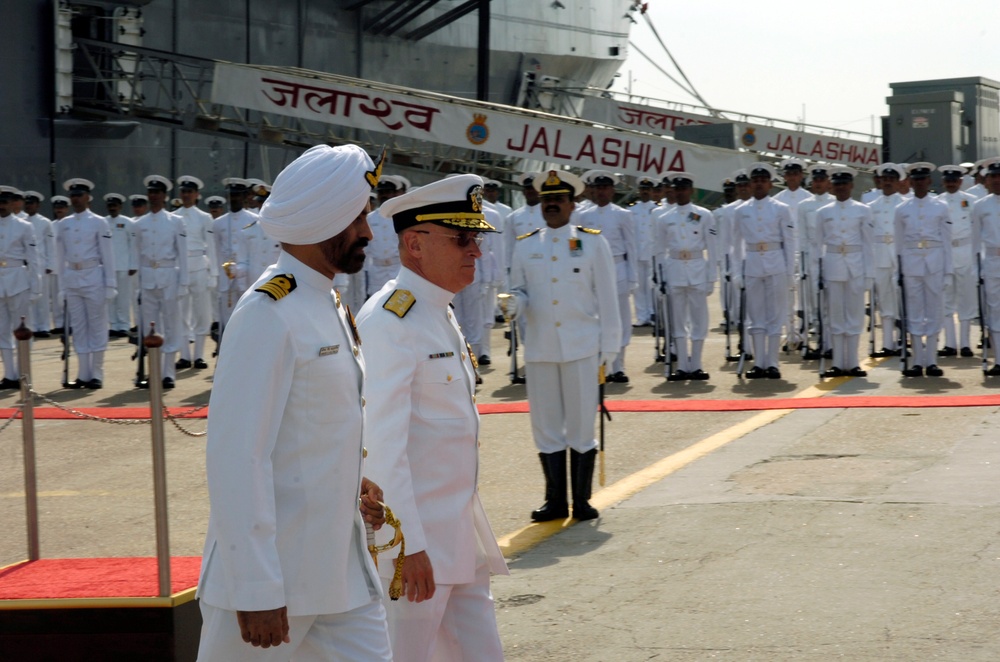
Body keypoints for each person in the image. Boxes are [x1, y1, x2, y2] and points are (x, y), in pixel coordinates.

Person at [196, 144, 392, 661]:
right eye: (359, 219)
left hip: (341, 574)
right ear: (324, 220)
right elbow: (238, 457)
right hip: (275, 582)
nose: (368, 233)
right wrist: (256, 588)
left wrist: (351, 484)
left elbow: (313, 431)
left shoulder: (324, 300)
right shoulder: (269, 312)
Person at [358, 173, 508, 662]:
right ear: (414, 243)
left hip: (457, 541)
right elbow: (379, 448)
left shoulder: (437, 311)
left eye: (476, 238)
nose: (476, 251)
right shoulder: (390, 321)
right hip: (415, 553)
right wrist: (405, 548)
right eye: (462, 239)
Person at [503, 168, 620, 523]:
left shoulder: (592, 241)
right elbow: (520, 291)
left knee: (582, 424)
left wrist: (609, 350)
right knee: (546, 424)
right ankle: (554, 500)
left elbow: (609, 298)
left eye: (559, 199)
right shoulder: (526, 245)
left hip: (583, 347)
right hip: (540, 349)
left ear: (572, 204)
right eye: (548, 199)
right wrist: (513, 304)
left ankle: (581, 501)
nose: (552, 204)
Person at [731, 163, 795, 378]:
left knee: (775, 316)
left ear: (770, 184)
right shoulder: (741, 211)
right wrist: (737, 272)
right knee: (756, 316)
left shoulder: (780, 209)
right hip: (752, 265)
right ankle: (759, 363)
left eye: (763, 180)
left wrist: (789, 273)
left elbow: (789, 241)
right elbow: (736, 244)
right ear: (750, 184)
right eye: (755, 180)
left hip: (776, 263)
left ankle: (773, 363)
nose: (759, 183)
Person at [654, 173, 717, 381]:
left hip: (698, 269)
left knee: (699, 320)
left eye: (684, 188)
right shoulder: (664, 218)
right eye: (676, 189)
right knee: (677, 321)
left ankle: (696, 365)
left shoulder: (704, 215)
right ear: (672, 191)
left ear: (691, 190)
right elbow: (659, 251)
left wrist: (711, 278)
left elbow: (713, 249)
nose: (680, 192)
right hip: (674, 271)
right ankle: (682, 365)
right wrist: (660, 278)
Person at [55, 178, 116, 389]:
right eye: (73, 196)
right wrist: (61, 287)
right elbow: (60, 257)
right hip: (72, 277)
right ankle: (83, 373)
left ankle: (97, 373)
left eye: (79, 195)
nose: (75, 199)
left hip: (93, 276)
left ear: (88, 197)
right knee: (79, 327)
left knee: (97, 325)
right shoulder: (64, 224)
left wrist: (110, 284)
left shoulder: (99, 222)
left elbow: (107, 255)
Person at [814, 167, 875, 377]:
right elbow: (817, 247)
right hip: (832, 266)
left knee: (855, 315)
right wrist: (817, 274)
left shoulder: (862, 210)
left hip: (855, 266)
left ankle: (854, 362)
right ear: (832, 186)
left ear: (851, 186)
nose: (841, 188)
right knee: (836, 315)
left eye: (844, 184)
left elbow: (869, 245)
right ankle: (838, 363)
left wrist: (869, 274)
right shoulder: (823, 212)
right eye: (837, 184)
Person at [577, 170, 636, 382]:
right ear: (593, 190)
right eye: (598, 188)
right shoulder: (584, 216)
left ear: (612, 190)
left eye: (605, 188)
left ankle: (618, 366)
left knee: (619, 319)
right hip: (593, 272)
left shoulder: (623, 214)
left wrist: (632, 278)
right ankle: (601, 366)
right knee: (596, 319)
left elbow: (631, 247)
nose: (601, 192)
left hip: (618, 268)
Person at [895, 162, 952, 377]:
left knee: (934, 311)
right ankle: (918, 361)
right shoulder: (901, 209)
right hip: (911, 264)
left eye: (923, 179)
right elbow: (898, 244)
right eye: (916, 179)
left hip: (935, 263)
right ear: (911, 182)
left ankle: (932, 360)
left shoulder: (940, 207)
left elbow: (947, 242)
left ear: (929, 181)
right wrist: (897, 271)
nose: (919, 183)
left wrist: (948, 271)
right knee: (915, 311)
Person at [130, 175, 189, 389]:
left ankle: (168, 374)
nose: (153, 196)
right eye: (151, 193)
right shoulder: (139, 224)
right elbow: (135, 255)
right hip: (147, 278)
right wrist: (137, 285)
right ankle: (153, 372)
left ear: (164, 196)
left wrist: (183, 282)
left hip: (168, 276)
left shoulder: (176, 222)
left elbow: (182, 254)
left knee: (171, 325)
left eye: (157, 193)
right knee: (149, 327)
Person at [174, 176, 218, 369]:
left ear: (197, 195)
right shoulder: (173, 216)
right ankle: (184, 355)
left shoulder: (204, 217)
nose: (186, 195)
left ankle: (199, 355)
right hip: (180, 268)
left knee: (202, 313)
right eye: (183, 192)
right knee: (181, 314)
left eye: (190, 192)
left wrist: (214, 273)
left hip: (200, 266)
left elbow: (212, 246)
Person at [935, 165, 978, 357]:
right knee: (946, 299)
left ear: (960, 182)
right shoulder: (936, 203)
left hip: (965, 252)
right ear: (943, 182)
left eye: (954, 180)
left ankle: (966, 343)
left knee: (966, 299)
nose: (951, 183)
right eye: (948, 180)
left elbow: (978, 230)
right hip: (945, 254)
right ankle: (950, 344)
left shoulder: (971, 201)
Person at [0, 187, 41, 388]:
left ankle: (23, 373)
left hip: (18, 280)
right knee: (2, 332)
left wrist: (36, 287)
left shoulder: (24, 226)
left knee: (22, 329)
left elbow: (34, 259)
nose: (2, 205)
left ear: (12, 203)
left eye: (5, 201)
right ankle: (9, 375)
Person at [972, 157, 1000, 375]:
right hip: (991, 262)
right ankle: (999, 359)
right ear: (986, 181)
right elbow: (975, 242)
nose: (997, 181)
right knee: (994, 310)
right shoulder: (980, 206)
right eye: (993, 177)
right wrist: (977, 269)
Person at [23, 190, 55, 337]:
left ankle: (44, 326)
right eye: (27, 203)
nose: (29, 206)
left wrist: (50, 264)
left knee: (42, 297)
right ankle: (33, 326)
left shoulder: (45, 222)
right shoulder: (21, 221)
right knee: (28, 297)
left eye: (32, 204)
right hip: (24, 266)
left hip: (41, 264)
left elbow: (50, 244)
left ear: (38, 205)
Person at [104, 192, 135, 339]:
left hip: (124, 266)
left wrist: (133, 264)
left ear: (120, 207)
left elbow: (133, 245)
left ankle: (124, 325)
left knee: (123, 297)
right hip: (108, 267)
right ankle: (113, 324)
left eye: (115, 205)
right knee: (110, 298)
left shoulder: (128, 223)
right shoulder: (103, 222)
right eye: (110, 206)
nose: (112, 208)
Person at [630, 176, 660, 327]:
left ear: (651, 191)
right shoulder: (631, 210)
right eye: (642, 189)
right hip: (637, 252)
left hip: (651, 253)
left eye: (647, 190)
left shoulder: (657, 209)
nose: (645, 192)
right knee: (638, 287)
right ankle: (642, 316)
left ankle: (653, 313)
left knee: (652, 285)